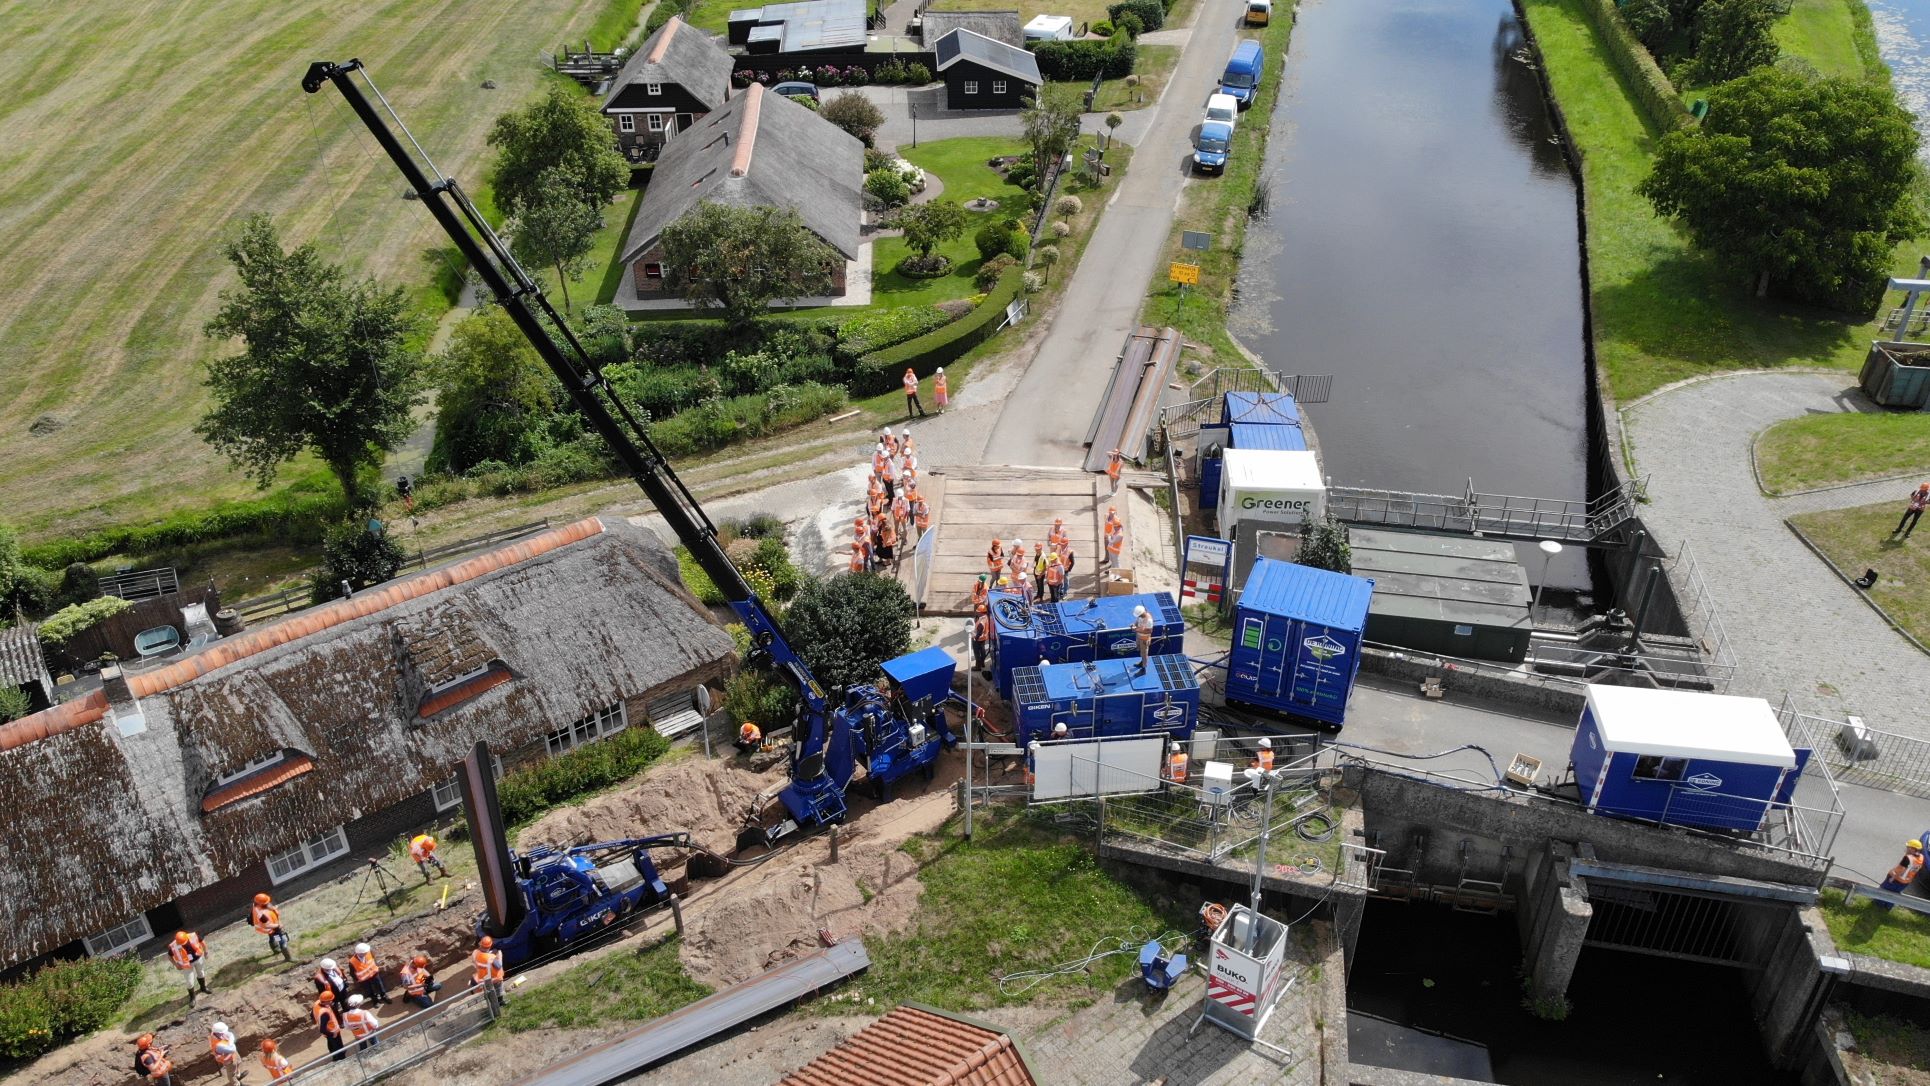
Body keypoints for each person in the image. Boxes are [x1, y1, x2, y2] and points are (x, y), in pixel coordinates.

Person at [1878, 839, 1925, 909]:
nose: (1907, 848)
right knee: (1894, 895)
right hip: (1906, 882)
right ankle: (1888, 907)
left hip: (1896, 880)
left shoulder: (1908, 858)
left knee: (1884, 892)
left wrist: (1892, 878)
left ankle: (1879, 906)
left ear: (1913, 849)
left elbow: (1901, 870)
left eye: (1908, 847)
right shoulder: (1921, 857)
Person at [168, 930, 210, 1001]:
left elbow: (202, 941)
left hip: (197, 959)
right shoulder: (173, 945)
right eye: (180, 943)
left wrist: (206, 951)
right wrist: (176, 964)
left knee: (201, 974)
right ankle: (192, 998)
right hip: (186, 965)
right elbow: (169, 956)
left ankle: (203, 988)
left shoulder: (193, 936)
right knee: (190, 982)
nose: (182, 944)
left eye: (183, 943)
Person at [251, 892, 293, 962]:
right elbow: (267, 925)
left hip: (270, 927)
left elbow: (267, 908)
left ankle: (276, 949)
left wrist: (273, 908)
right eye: (266, 902)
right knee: (282, 940)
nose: (268, 903)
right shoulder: (261, 915)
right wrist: (278, 925)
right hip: (271, 928)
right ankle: (289, 958)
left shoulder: (256, 905)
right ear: (261, 904)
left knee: (272, 937)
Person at [472, 936, 507, 1005]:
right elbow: (498, 966)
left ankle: (493, 1005)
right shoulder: (491, 957)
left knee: (490, 993)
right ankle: (501, 1003)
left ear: (481, 944)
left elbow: (483, 957)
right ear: (490, 945)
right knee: (498, 991)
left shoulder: (477, 954)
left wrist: (490, 953)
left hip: (484, 979)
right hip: (495, 978)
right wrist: (499, 956)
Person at [314, 990, 346, 1062]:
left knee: (331, 1045)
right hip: (332, 1032)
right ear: (325, 1001)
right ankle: (341, 1059)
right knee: (338, 1048)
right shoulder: (324, 1013)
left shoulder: (316, 1003)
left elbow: (312, 1015)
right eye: (330, 1000)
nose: (332, 1002)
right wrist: (332, 1033)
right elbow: (322, 1029)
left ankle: (335, 1057)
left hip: (329, 1032)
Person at [1132, 604, 1154, 673]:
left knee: (1144, 654)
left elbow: (1149, 631)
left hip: (1144, 639)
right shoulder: (1140, 616)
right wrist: (1134, 625)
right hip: (1139, 637)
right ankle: (1142, 662)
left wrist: (1136, 630)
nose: (1138, 616)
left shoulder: (1149, 620)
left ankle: (1144, 669)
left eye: (1139, 615)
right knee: (1141, 651)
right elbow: (1137, 621)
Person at [972, 609, 992, 677]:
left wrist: (975, 638)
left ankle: (978, 667)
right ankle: (982, 662)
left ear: (981, 612)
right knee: (982, 650)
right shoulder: (986, 617)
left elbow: (979, 632)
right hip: (983, 638)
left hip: (978, 639)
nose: (977, 612)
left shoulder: (981, 623)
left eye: (978, 611)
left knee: (977, 653)